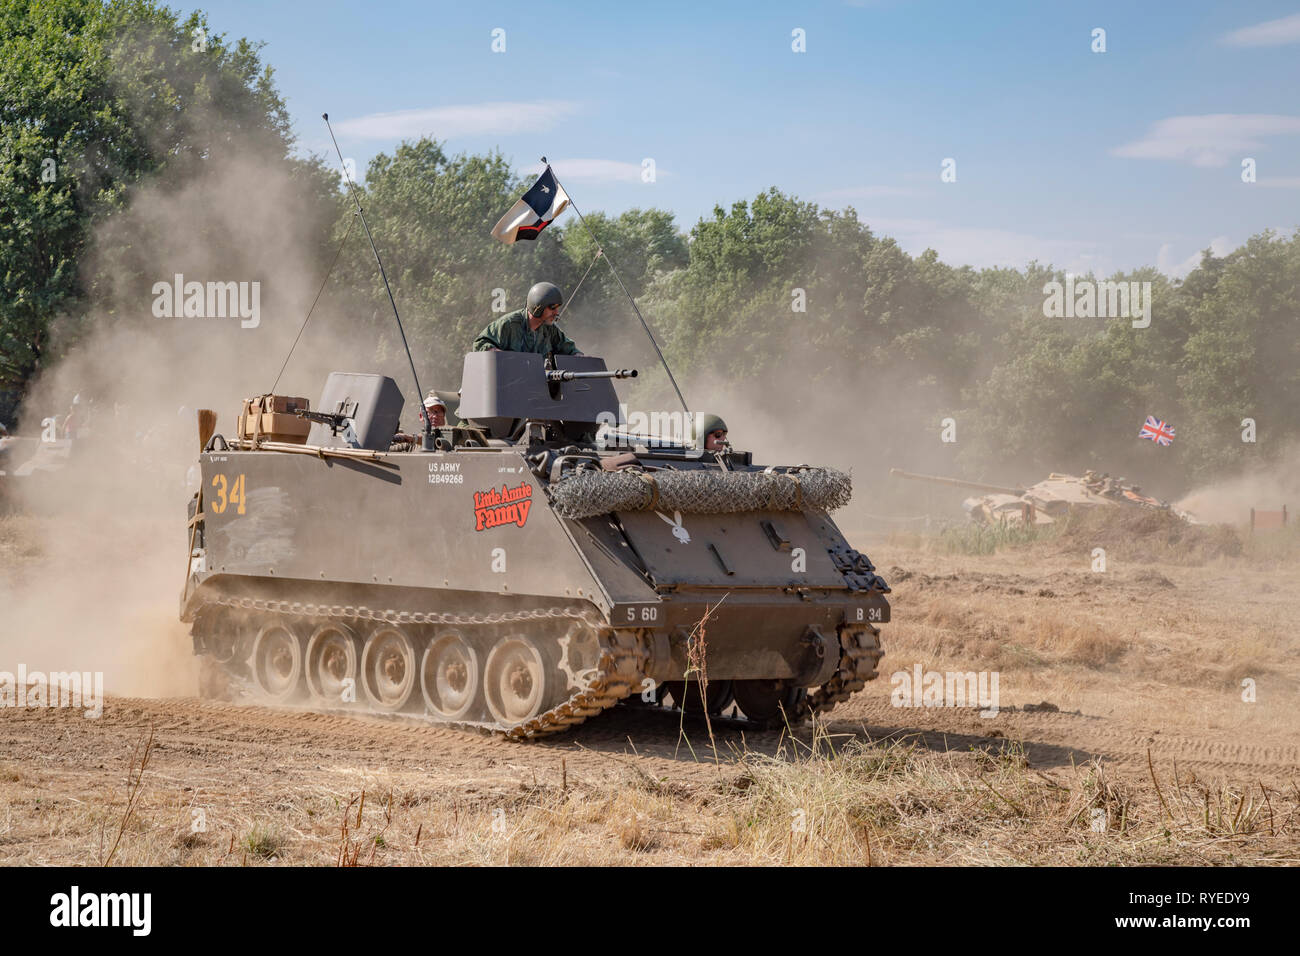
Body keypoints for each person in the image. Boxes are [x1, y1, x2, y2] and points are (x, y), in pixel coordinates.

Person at [473, 282, 582, 356]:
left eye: (557, 308)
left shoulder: (550, 330)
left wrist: (579, 357)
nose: (556, 313)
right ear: (538, 307)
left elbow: (570, 350)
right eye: (552, 308)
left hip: (536, 386)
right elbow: (480, 344)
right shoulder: (510, 324)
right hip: (509, 385)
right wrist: (503, 357)